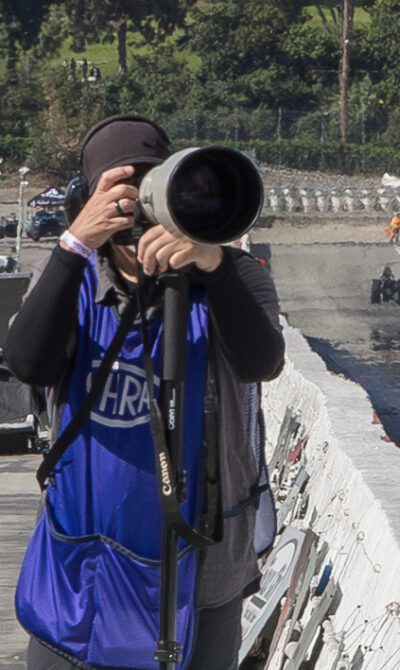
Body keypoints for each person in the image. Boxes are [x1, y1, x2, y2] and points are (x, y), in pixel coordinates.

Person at [5, 115, 284, 669]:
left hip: (204, 570)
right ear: (87, 198)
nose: (136, 207)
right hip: (82, 563)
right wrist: (74, 244)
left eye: (153, 184)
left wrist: (212, 266)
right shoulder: (71, 279)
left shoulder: (235, 277)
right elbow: (28, 363)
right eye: (120, 189)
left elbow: (262, 362)